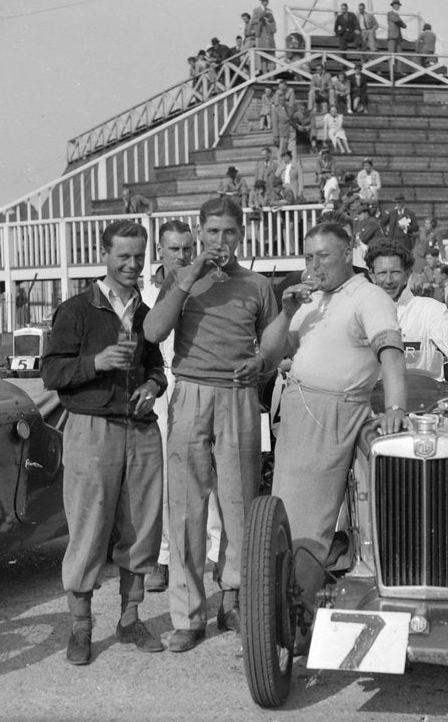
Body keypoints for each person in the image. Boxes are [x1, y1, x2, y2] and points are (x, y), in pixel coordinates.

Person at [258, 222, 405, 650]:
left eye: (323, 256)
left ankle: (293, 628)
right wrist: (285, 311)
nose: (314, 265)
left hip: (332, 411)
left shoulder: (369, 296)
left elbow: (391, 354)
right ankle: (285, 619)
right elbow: (268, 356)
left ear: (346, 255)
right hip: (298, 408)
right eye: (308, 257)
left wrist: (396, 409)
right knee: (286, 517)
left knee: (306, 524)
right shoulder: (311, 300)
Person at [143, 197, 278, 653]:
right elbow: (153, 332)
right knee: (185, 506)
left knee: (239, 503)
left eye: (230, 232)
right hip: (191, 394)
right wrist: (188, 276)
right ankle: (187, 616)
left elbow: (274, 340)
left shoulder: (257, 284)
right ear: (200, 232)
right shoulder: (181, 278)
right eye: (213, 232)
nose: (221, 241)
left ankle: (233, 598)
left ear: (241, 235)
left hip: (239, 397)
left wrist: (262, 359)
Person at [41, 220, 167, 665]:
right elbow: (51, 373)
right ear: (104, 255)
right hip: (91, 429)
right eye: (123, 256)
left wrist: (152, 385)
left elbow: (157, 367)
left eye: (138, 256)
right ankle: (80, 627)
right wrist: (97, 362)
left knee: (142, 527)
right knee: (89, 529)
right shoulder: (76, 309)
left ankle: (130, 619)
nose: (132, 264)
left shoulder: (145, 311)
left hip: (141, 429)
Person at [142, 221, 224, 594]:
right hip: (161, 387)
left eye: (188, 248)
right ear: (160, 251)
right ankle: (162, 557)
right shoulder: (146, 293)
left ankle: (218, 553)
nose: (182, 255)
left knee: (211, 471)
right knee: (164, 473)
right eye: (174, 249)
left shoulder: (209, 285)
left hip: (201, 382)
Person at [367, 243, 448, 378]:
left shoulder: (431, 311)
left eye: (395, 272)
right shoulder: (359, 314)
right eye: (382, 273)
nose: (389, 280)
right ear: (372, 276)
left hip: (420, 390)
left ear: (407, 274)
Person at [252, 0, 277, 72]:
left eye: (266, 1)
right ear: (261, 1)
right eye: (264, 1)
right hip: (261, 37)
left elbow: (273, 24)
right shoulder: (256, 10)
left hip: (269, 37)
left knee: (271, 59)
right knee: (263, 59)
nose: (265, 2)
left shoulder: (270, 11)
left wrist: (269, 22)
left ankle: (271, 76)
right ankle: (265, 75)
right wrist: (260, 18)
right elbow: (253, 22)